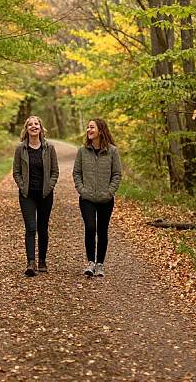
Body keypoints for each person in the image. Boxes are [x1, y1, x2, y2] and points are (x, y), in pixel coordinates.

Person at [72, 118, 121, 277]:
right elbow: (76, 173)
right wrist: (82, 190)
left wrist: (109, 192)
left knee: (102, 230)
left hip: (106, 199)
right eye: (87, 127)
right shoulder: (82, 151)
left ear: (100, 130)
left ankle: (100, 264)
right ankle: (90, 262)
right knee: (90, 227)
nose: (88, 130)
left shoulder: (112, 151)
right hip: (87, 198)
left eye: (91, 127)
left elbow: (117, 175)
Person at [13, 116, 59, 276]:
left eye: (36, 123)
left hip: (45, 194)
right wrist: (22, 186)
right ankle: (30, 262)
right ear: (26, 129)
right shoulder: (21, 148)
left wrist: (49, 187)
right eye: (30, 124)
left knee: (43, 228)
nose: (34, 126)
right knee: (31, 227)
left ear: (41, 127)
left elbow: (55, 171)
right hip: (27, 195)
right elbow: (16, 172)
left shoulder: (49, 147)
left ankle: (42, 261)